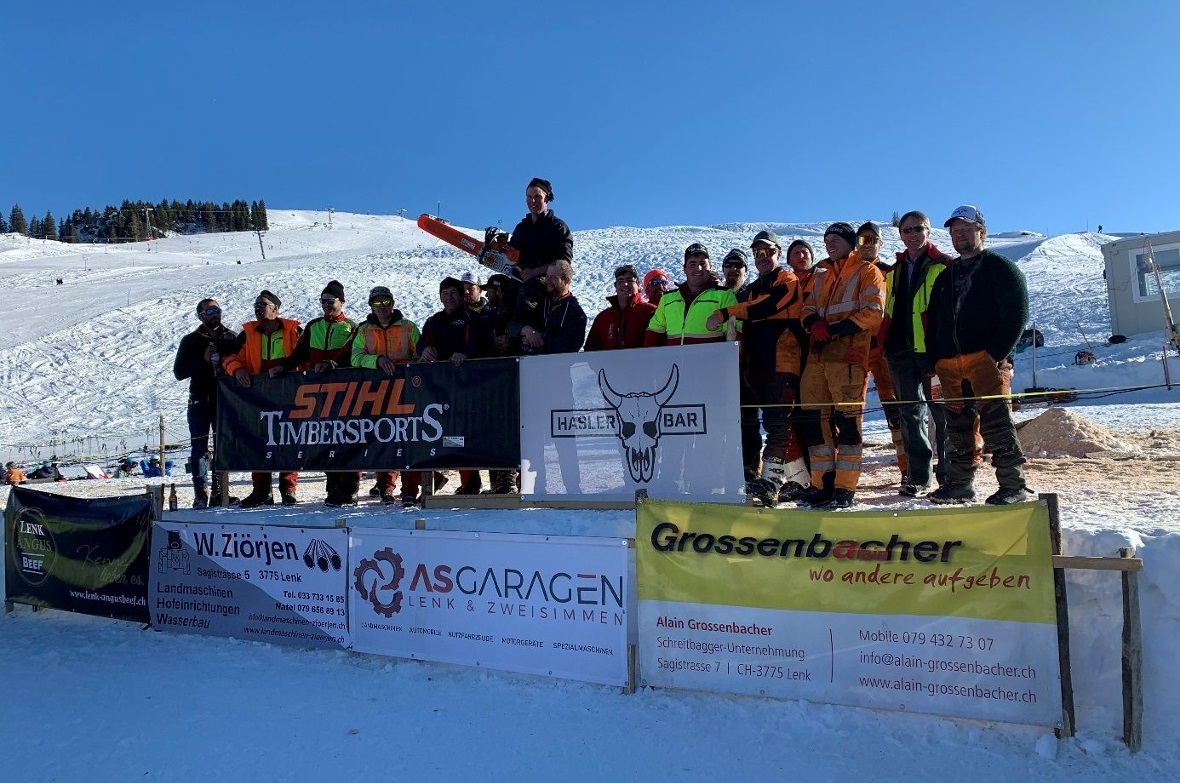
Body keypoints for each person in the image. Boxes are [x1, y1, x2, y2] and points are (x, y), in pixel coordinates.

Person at [926, 206, 1032, 505]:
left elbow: (1017, 314)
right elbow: (933, 321)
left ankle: (1013, 485)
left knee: (997, 423)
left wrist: (997, 353)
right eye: (955, 230)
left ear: (981, 232)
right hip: (950, 365)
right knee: (958, 427)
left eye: (966, 229)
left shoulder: (1000, 267)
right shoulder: (946, 275)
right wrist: (936, 358)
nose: (960, 234)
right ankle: (960, 484)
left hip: (986, 361)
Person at [707, 231, 810, 505]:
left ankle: (771, 480)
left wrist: (727, 312)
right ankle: (801, 481)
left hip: (783, 363)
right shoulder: (752, 288)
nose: (762, 258)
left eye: (768, 252)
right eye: (757, 253)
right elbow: (749, 320)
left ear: (778, 253)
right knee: (775, 423)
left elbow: (766, 307)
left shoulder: (787, 280)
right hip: (759, 368)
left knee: (778, 424)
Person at [796, 223, 885, 509]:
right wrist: (813, 323)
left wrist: (833, 330)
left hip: (848, 358)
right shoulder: (820, 277)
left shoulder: (867, 271)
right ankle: (823, 484)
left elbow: (873, 312)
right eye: (826, 239)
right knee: (814, 422)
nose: (830, 244)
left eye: (836, 239)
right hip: (817, 359)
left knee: (847, 424)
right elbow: (806, 309)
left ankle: (845, 488)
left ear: (851, 242)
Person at [269, 281, 360, 506]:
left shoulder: (351, 326)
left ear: (342, 302)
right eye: (323, 301)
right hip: (319, 393)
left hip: (346, 392)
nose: (327, 305)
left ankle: (350, 487)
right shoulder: (314, 325)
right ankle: (333, 486)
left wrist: (332, 364)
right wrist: (284, 366)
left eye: (331, 301)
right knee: (327, 438)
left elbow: (352, 357)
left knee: (348, 438)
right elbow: (300, 354)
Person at [880, 210, 950, 496]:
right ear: (900, 235)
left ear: (928, 232)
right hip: (900, 354)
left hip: (932, 353)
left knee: (942, 413)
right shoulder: (893, 272)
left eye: (917, 229)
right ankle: (919, 476)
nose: (912, 234)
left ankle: (948, 474)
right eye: (907, 230)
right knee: (910, 414)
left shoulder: (944, 265)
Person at [221, 290, 302, 507]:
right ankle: (262, 491)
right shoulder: (247, 333)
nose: (258, 308)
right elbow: (229, 358)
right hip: (258, 398)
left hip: (290, 395)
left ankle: (288, 489)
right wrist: (237, 370)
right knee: (259, 441)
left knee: (288, 440)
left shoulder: (294, 331)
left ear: (276, 309)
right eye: (256, 305)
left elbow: (305, 356)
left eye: (263, 304)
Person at [352, 285, 423, 504]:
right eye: (377, 303)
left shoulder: (409, 328)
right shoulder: (363, 330)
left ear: (392, 303)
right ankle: (385, 486)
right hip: (378, 394)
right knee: (383, 438)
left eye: (385, 302)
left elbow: (420, 357)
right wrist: (377, 360)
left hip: (407, 393)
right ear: (371, 306)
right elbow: (355, 358)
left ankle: (410, 489)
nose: (382, 307)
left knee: (409, 439)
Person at [419, 276, 484, 494]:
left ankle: (471, 482)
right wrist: (425, 351)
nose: (449, 297)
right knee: (441, 433)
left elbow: (477, 342)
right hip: (440, 387)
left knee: (464, 433)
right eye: (445, 293)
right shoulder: (434, 320)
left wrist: (464, 353)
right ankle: (446, 479)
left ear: (462, 294)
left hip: (467, 385)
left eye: (453, 292)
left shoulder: (471, 317)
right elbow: (422, 344)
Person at [856, 222, 908, 487]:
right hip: (854, 349)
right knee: (851, 410)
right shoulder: (848, 274)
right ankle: (848, 475)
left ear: (881, 243)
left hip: (884, 349)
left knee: (894, 407)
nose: (868, 244)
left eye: (873, 240)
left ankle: (906, 467)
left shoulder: (890, 272)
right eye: (863, 240)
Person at [172, 298, 237, 508]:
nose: (214, 314)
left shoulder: (231, 337)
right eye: (209, 311)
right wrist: (203, 360)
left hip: (223, 402)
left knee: (222, 448)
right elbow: (179, 372)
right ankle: (200, 494)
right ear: (200, 316)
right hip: (199, 401)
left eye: (217, 310)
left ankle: (219, 492)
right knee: (198, 448)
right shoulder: (191, 340)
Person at [645, 244, 739, 346]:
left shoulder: (724, 295)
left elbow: (734, 337)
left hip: (710, 361)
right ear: (684, 269)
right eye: (692, 264)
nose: (698, 268)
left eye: (703, 264)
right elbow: (654, 332)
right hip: (675, 361)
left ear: (710, 267)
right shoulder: (667, 299)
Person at [510, 260, 587, 355]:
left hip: (557, 365)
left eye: (553, 277)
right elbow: (513, 324)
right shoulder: (538, 298)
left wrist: (540, 340)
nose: (547, 281)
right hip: (527, 362)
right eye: (547, 276)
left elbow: (572, 344)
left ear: (566, 280)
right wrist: (524, 329)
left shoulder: (575, 312)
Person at [505, 177, 574, 283]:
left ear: (546, 198)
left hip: (545, 284)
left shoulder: (558, 227)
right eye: (529, 196)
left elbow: (563, 261)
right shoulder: (521, 228)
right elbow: (511, 256)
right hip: (516, 281)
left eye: (537, 197)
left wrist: (535, 272)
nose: (532, 201)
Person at [584, 264, 657, 351]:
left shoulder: (651, 312)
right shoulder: (603, 317)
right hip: (607, 364)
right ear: (616, 287)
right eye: (620, 281)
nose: (625, 284)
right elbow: (590, 350)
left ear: (638, 285)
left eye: (630, 280)